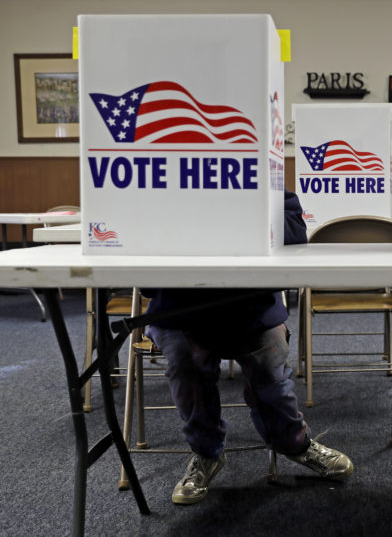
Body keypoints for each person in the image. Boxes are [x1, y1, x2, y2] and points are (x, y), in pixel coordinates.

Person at [142, 189, 353, 505]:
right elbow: (144, 272)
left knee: (271, 371)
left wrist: (229, 210)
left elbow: (296, 234)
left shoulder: (264, 177)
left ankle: (294, 444)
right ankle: (207, 454)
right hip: (181, 308)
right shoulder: (161, 183)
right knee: (188, 366)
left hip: (250, 306)